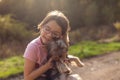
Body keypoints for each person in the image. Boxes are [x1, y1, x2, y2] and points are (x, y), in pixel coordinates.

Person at [23, 10, 70, 80]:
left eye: (55, 33)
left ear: (61, 36)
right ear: (42, 26)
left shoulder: (59, 45)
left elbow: (63, 64)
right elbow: (27, 78)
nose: (49, 35)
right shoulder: (33, 47)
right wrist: (47, 66)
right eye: (47, 29)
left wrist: (64, 61)